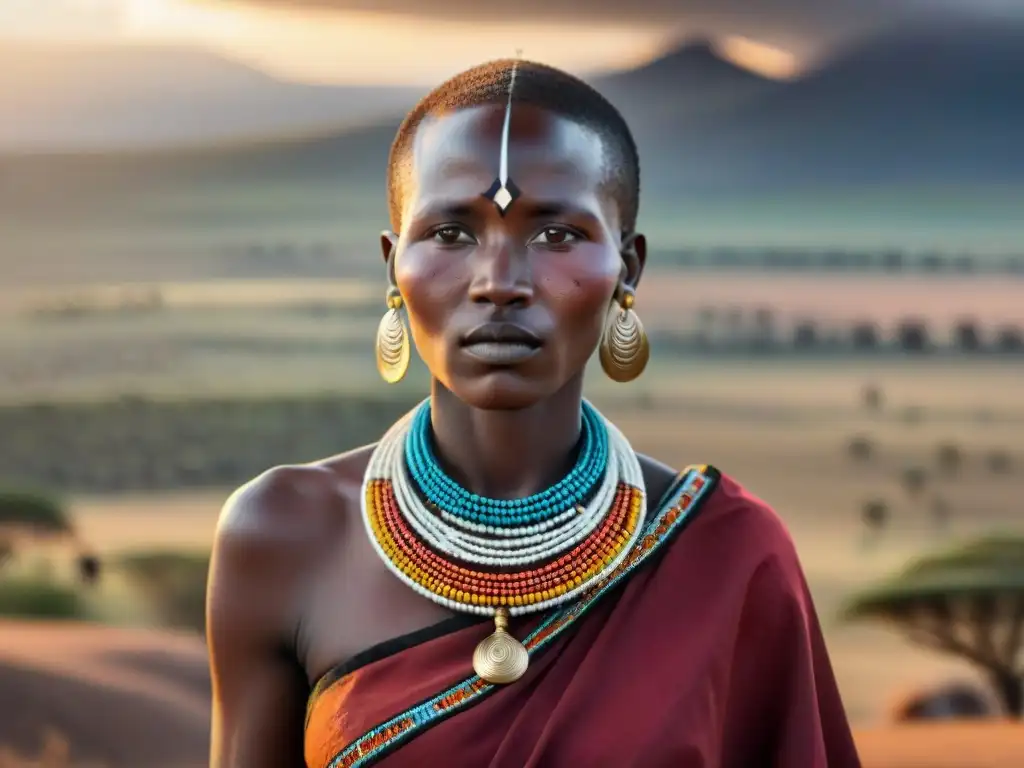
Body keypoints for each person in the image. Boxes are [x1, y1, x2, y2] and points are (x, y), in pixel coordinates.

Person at [206, 58, 862, 768]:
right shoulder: (282, 536)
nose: (500, 283)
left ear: (628, 269)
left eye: (557, 235)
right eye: (451, 233)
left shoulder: (728, 554)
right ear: (393, 265)